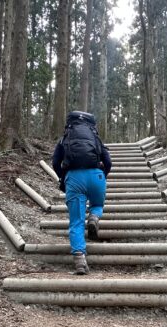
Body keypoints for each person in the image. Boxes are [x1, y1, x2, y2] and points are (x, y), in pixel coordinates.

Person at [51, 111, 112, 275]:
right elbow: (108, 161)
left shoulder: (65, 138)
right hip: (96, 175)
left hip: (74, 178)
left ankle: (80, 260)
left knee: (76, 221)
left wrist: (63, 177)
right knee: (98, 204)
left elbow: (55, 162)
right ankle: (94, 217)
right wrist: (102, 176)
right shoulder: (95, 138)